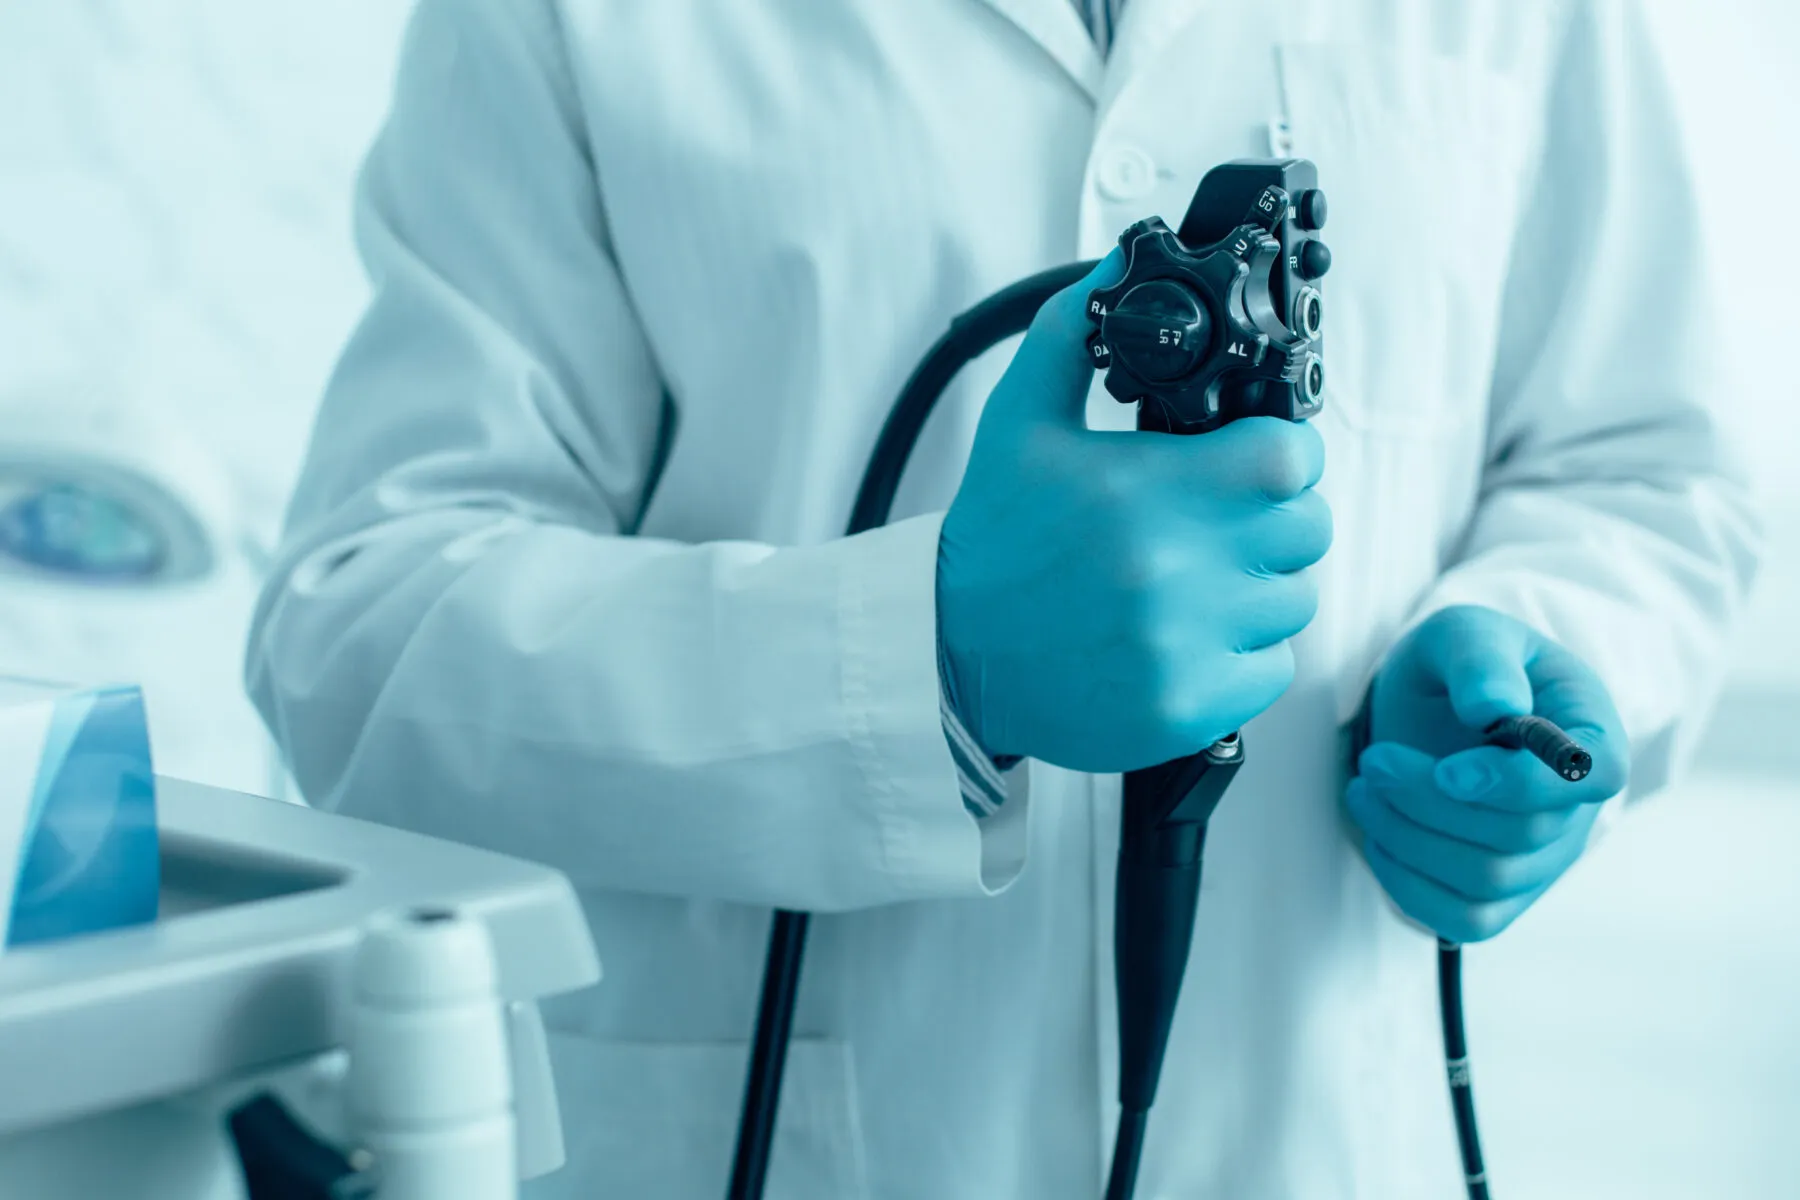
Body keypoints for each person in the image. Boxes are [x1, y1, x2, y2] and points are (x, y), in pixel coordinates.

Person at [245, 1, 1761, 1196]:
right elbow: (359, 626)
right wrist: (927, 660)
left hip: (1319, 1130)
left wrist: (1537, 657)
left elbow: (1640, 469)